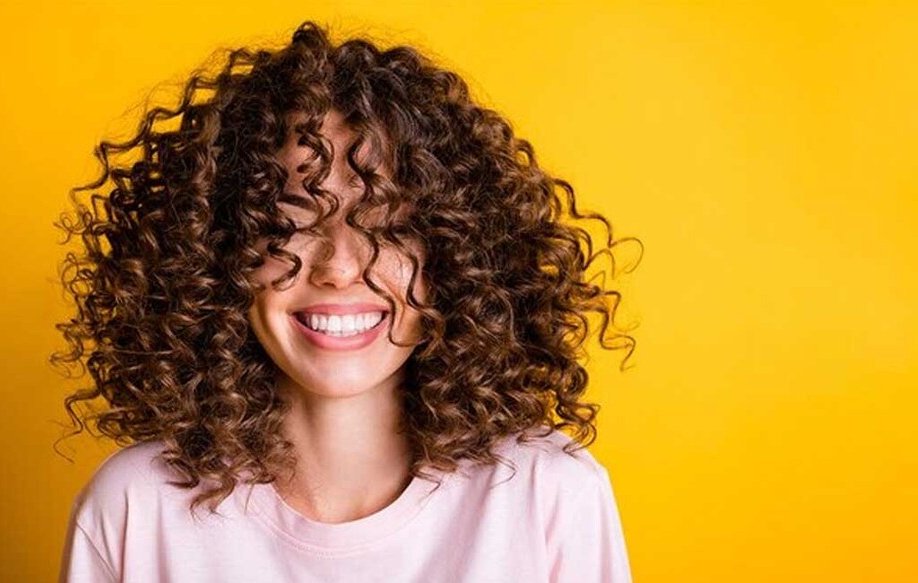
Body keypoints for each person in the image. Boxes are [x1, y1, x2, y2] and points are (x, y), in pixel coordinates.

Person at [53, 20, 640, 583]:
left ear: (455, 255)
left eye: (387, 225)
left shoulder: (549, 496)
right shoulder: (135, 510)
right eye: (292, 221)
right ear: (221, 251)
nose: (338, 267)